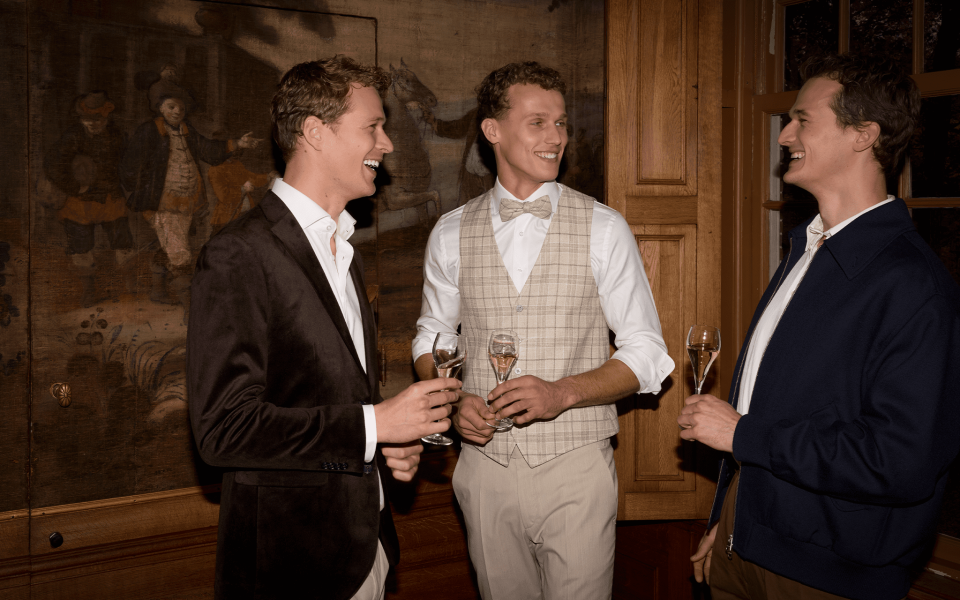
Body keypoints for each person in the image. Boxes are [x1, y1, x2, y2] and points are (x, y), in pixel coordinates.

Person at [678, 53, 960, 600]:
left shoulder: (914, 287)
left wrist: (742, 435)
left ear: (863, 135)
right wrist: (732, 524)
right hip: (745, 545)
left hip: (826, 577)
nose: (785, 136)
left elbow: (900, 462)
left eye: (802, 120)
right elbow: (778, 408)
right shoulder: (807, 249)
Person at [187, 56, 459, 600]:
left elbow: (328, 399)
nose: (386, 144)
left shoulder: (342, 250)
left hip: (366, 550)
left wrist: (382, 443)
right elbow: (224, 430)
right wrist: (375, 424)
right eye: (372, 126)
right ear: (314, 132)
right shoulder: (239, 253)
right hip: (294, 567)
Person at [413, 61, 674, 599]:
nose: (556, 137)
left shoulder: (605, 227)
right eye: (538, 122)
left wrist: (564, 392)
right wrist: (453, 398)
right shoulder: (450, 231)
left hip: (576, 465)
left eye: (561, 123)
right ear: (492, 130)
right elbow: (433, 336)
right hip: (483, 467)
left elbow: (648, 352)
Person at [120, 84, 259, 306]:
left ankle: (158, 290)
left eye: (181, 108)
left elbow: (208, 150)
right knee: (180, 252)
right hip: (162, 202)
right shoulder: (148, 131)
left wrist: (238, 143)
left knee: (172, 243)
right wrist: (146, 190)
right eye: (171, 107)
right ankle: (191, 308)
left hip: (187, 201)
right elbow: (130, 166)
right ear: (160, 108)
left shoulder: (187, 130)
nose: (177, 111)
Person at [44, 91, 136, 307]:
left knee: (122, 241)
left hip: (111, 197)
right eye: (87, 119)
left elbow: (129, 163)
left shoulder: (118, 135)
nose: (93, 124)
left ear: (107, 117)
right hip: (80, 202)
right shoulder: (73, 136)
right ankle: (88, 289)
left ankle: (131, 283)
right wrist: (75, 186)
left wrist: (131, 182)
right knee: (80, 245)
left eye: (98, 119)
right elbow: (53, 165)